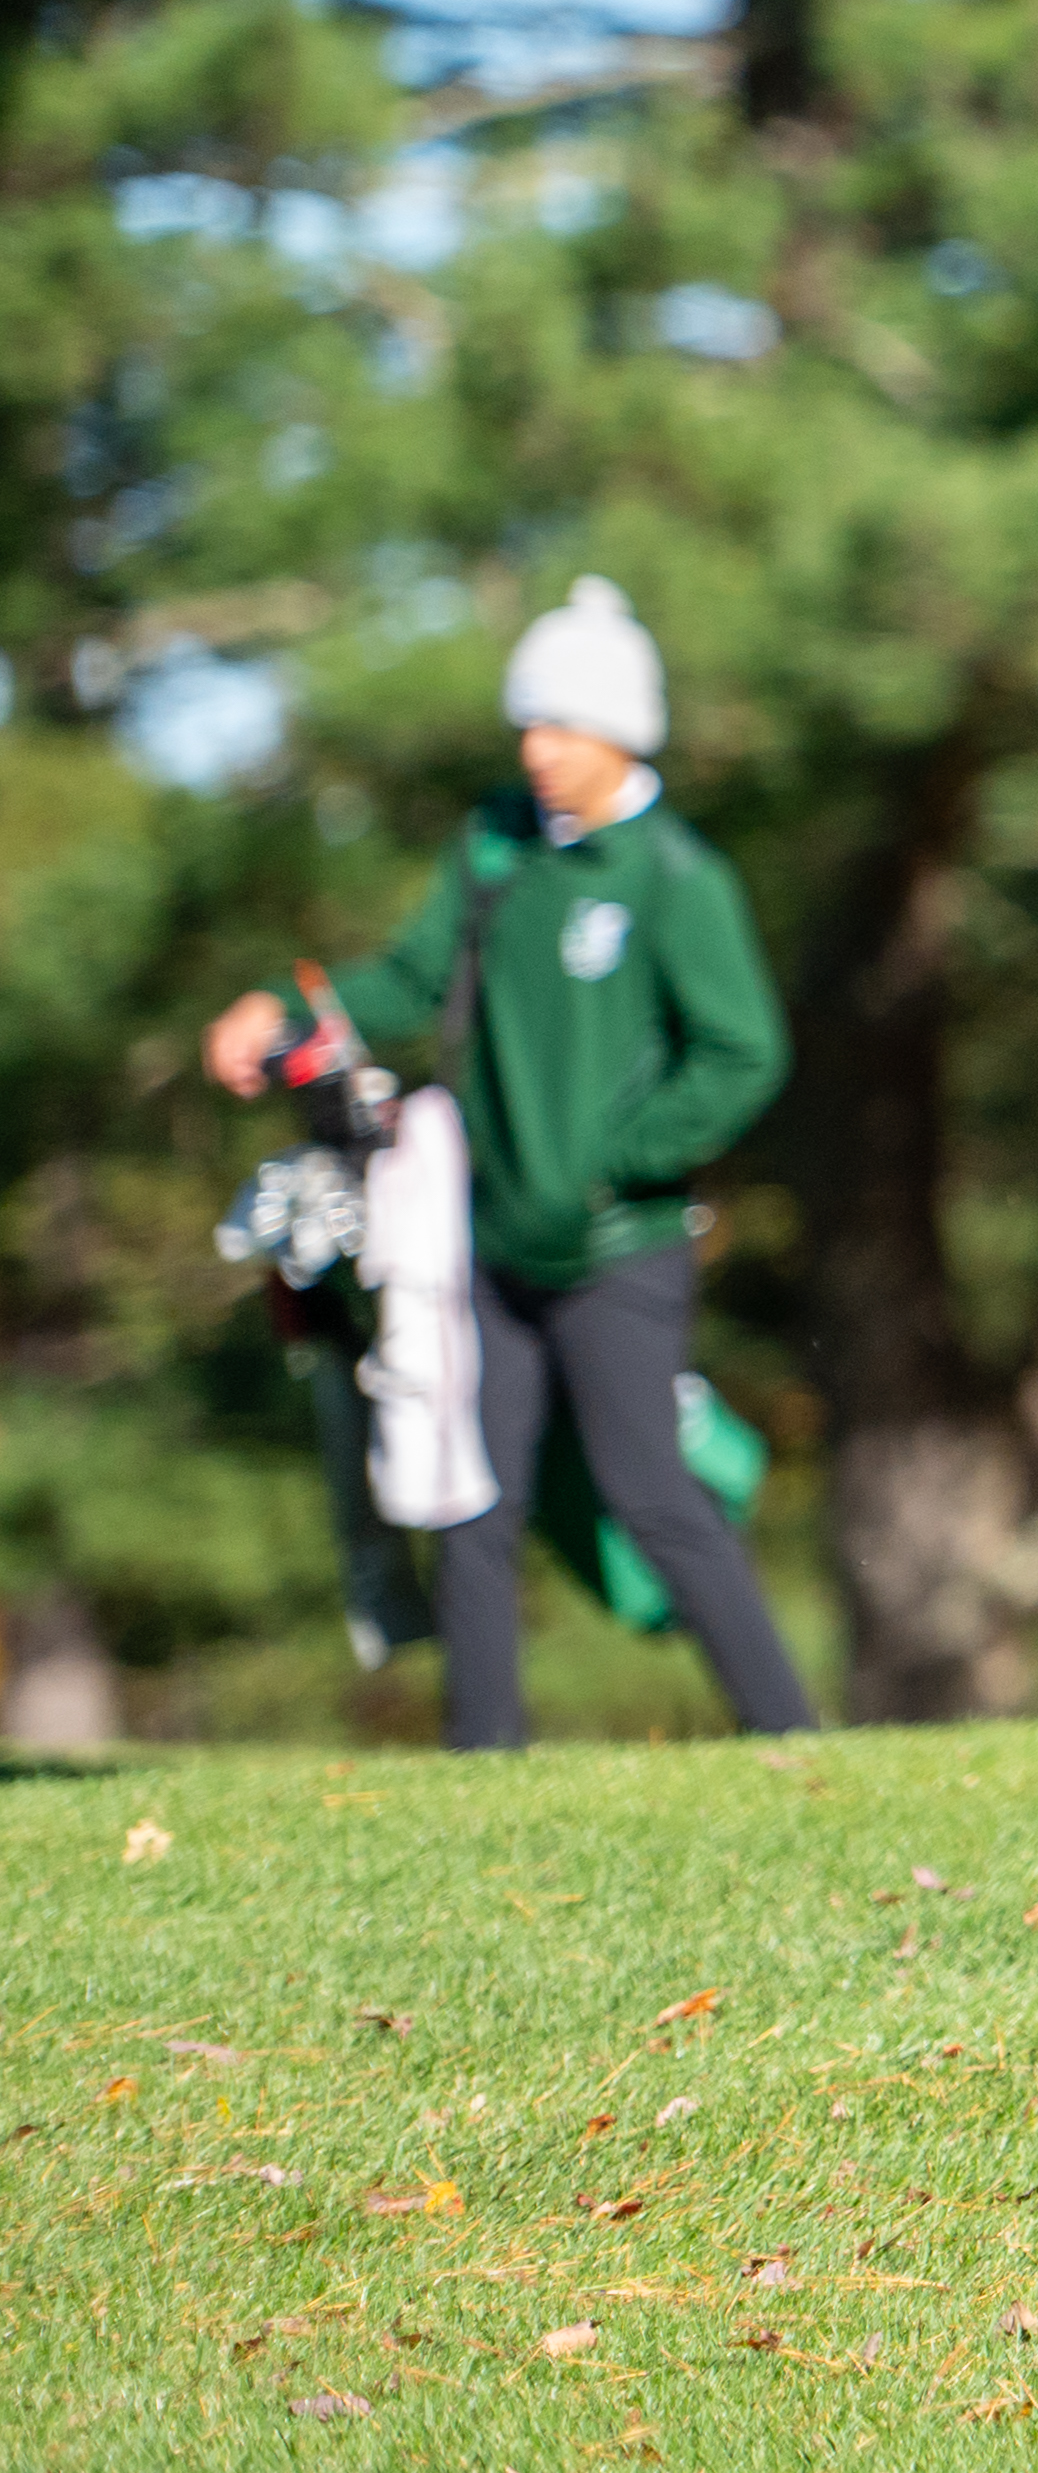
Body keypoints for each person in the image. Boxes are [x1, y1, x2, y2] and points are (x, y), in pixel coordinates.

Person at [206, 575, 818, 1749]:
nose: (535, 749)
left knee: (654, 1494)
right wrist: (284, 1008)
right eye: (525, 725)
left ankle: (788, 1735)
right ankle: (482, 1760)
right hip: (481, 1246)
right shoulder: (495, 849)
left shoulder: (676, 878)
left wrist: (610, 1164)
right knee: (473, 1502)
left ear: (619, 731)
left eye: (558, 726)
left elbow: (745, 1052)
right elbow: (406, 978)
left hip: (616, 1249)